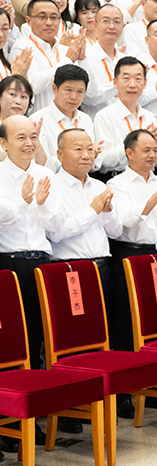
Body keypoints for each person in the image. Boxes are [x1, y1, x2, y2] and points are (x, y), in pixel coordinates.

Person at [106, 129, 157, 352]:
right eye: (146, 150)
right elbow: (126, 219)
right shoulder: (117, 184)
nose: (152, 155)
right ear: (129, 153)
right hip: (131, 254)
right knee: (128, 315)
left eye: (155, 150)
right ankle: (130, 367)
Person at [0, 116, 53, 370]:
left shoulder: (45, 173)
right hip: (9, 261)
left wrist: (42, 206)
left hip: (42, 260)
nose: (29, 143)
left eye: (33, 136)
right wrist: (23, 202)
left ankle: (36, 381)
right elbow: (3, 217)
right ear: (3, 143)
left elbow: (55, 223)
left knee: (39, 327)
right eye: (21, 137)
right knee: (11, 327)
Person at [46, 128, 122, 300]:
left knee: (102, 317)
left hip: (102, 267)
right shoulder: (51, 186)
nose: (86, 155)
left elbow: (116, 233)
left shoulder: (99, 186)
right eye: (78, 149)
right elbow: (55, 234)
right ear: (60, 155)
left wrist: (107, 212)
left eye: (90, 149)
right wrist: (92, 211)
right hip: (70, 268)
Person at [94, 57, 157, 177]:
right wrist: (137, 145)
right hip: (118, 178)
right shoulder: (104, 116)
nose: (132, 84)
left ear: (145, 83)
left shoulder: (148, 116)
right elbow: (105, 160)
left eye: (138, 79)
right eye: (126, 78)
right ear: (115, 82)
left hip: (147, 178)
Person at [10, 0, 85, 113]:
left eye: (54, 17)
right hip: (37, 118)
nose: (49, 23)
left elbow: (85, 91)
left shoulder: (65, 50)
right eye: (42, 17)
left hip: (68, 117)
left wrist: (82, 59)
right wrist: (67, 60)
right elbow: (33, 86)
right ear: (28, 21)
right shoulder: (22, 47)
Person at [30, 65, 94, 171]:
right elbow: (42, 163)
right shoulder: (37, 120)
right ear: (55, 89)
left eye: (80, 91)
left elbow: (95, 163)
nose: (74, 97)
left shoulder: (85, 119)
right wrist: (76, 159)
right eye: (69, 90)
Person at [81, 4, 128, 117]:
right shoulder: (84, 57)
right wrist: (120, 82)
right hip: (96, 121)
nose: (112, 26)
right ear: (95, 25)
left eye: (117, 22)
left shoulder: (126, 60)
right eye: (106, 21)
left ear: (122, 27)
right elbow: (89, 99)